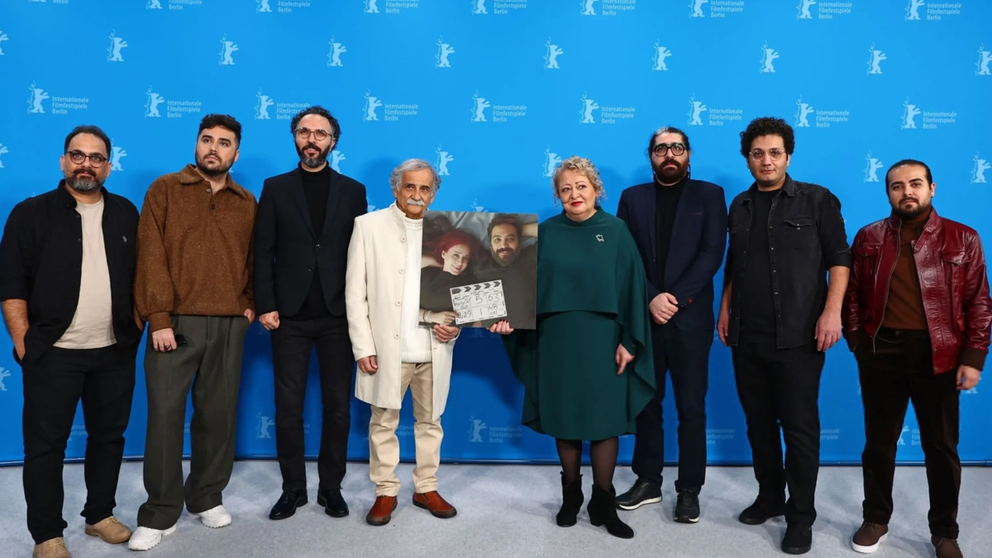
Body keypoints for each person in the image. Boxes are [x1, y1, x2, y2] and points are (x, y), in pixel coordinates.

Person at [491, 156, 655, 539]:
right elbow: (520, 290)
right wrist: (504, 319)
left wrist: (630, 341)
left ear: (596, 190)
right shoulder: (541, 234)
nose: (574, 194)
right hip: (556, 340)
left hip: (603, 340)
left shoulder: (616, 231)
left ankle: (603, 499)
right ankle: (571, 495)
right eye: (565, 188)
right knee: (565, 419)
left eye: (581, 186)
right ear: (557, 195)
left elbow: (632, 288)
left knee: (603, 421)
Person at [0, 125, 142, 558]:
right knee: (45, 448)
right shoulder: (31, 213)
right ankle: (47, 534)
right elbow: (11, 284)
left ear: (108, 167)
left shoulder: (126, 213)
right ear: (63, 162)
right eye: (77, 155)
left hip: (114, 352)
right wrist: (23, 341)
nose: (86, 164)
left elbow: (142, 279)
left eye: (96, 158)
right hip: (51, 354)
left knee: (108, 438)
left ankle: (99, 515)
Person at [717, 117, 851, 555]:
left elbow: (839, 259)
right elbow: (733, 265)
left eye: (775, 152)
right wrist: (724, 309)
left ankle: (801, 516)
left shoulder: (817, 200)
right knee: (758, 425)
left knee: (798, 428)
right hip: (747, 335)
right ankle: (770, 496)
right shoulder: (738, 206)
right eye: (758, 153)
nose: (766, 160)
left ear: (788, 156)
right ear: (748, 159)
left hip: (799, 335)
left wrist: (832, 313)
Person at [842, 159, 990, 558]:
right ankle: (876, 518)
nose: (906, 192)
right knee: (879, 444)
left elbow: (979, 302)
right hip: (881, 353)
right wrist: (858, 343)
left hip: (939, 354)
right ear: (887, 192)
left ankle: (944, 531)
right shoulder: (869, 237)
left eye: (915, 184)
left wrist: (973, 356)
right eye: (896, 186)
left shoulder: (964, 239)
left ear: (932, 188)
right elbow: (851, 296)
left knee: (941, 447)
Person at [129, 114, 257, 551]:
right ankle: (160, 512)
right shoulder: (165, 189)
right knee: (165, 417)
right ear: (196, 144)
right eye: (207, 140)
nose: (213, 149)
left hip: (228, 323)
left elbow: (255, 258)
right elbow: (149, 253)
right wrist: (159, 317)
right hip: (175, 322)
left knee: (217, 417)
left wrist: (250, 302)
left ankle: (206, 496)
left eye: (223, 143)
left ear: (235, 154)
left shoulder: (246, 201)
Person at [253, 106, 367, 521]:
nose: (312, 139)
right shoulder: (275, 188)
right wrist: (266, 303)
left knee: (338, 407)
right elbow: (263, 251)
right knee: (288, 407)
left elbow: (362, 256)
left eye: (320, 133)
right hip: (290, 317)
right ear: (295, 138)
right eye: (304, 131)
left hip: (339, 316)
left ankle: (330, 489)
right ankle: (293, 489)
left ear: (333, 141)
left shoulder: (354, 191)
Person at [615, 126, 727, 523]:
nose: (669, 154)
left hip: (690, 318)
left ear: (688, 154)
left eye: (676, 147)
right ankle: (647, 481)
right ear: (651, 156)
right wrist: (650, 297)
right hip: (645, 317)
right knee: (647, 403)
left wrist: (674, 299)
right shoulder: (632, 199)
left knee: (691, 407)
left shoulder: (710, 195)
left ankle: (689, 489)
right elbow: (624, 255)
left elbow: (712, 253)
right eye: (661, 148)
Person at [345, 159, 462, 526]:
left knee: (431, 422)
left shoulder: (443, 232)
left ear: (434, 193)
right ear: (396, 188)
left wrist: (455, 326)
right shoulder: (368, 226)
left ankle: (426, 485)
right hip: (387, 347)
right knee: (383, 422)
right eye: (410, 187)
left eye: (425, 188)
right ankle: (385, 491)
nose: (417, 195)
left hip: (433, 346)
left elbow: (461, 293)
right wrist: (363, 346)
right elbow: (354, 293)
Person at [474, 214, 538, 329]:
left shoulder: (530, 257)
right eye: (497, 239)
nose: (503, 245)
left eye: (510, 239)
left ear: (519, 240)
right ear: (490, 243)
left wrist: (521, 230)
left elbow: (555, 233)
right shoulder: (478, 262)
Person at [419, 228, 481, 325]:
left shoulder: (470, 281)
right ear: (444, 253)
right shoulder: (425, 273)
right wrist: (431, 316)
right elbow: (402, 307)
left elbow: (478, 319)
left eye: (466, 258)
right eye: (456, 255)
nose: (460, 262)